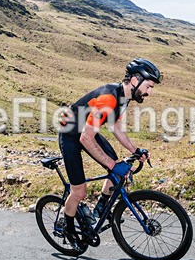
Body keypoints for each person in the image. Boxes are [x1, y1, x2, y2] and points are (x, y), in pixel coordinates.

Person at [57, 58, 161, 244]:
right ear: (136, 80)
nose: (149, 93)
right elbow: (85, 138)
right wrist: (112, 165)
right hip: (71, 134)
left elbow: (115, 125)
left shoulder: (124, 97)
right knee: (79, 192)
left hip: (86, 130)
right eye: (148, 87)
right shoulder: (109, 98)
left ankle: (101, 208)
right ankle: (68, 226)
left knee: (117, 168)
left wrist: (135, 150)